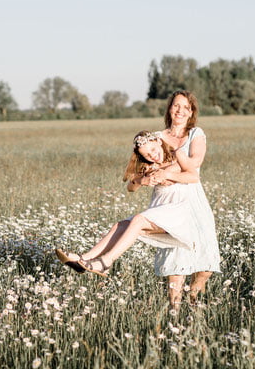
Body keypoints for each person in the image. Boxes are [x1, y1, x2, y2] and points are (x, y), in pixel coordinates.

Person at [56, 91, 220, 309]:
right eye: (175, 106)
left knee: (203, 266)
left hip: (191, 203)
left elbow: (193, 168)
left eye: (184, 107)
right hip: (164, 204)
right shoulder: (154, 139)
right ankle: (84, 260)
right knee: (168, 259)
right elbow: (132, 183)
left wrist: (166, 172)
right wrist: (144, 178)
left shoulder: (195, 134)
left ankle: (193, 306)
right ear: (169, 108)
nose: (179, 110)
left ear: (191, 111)